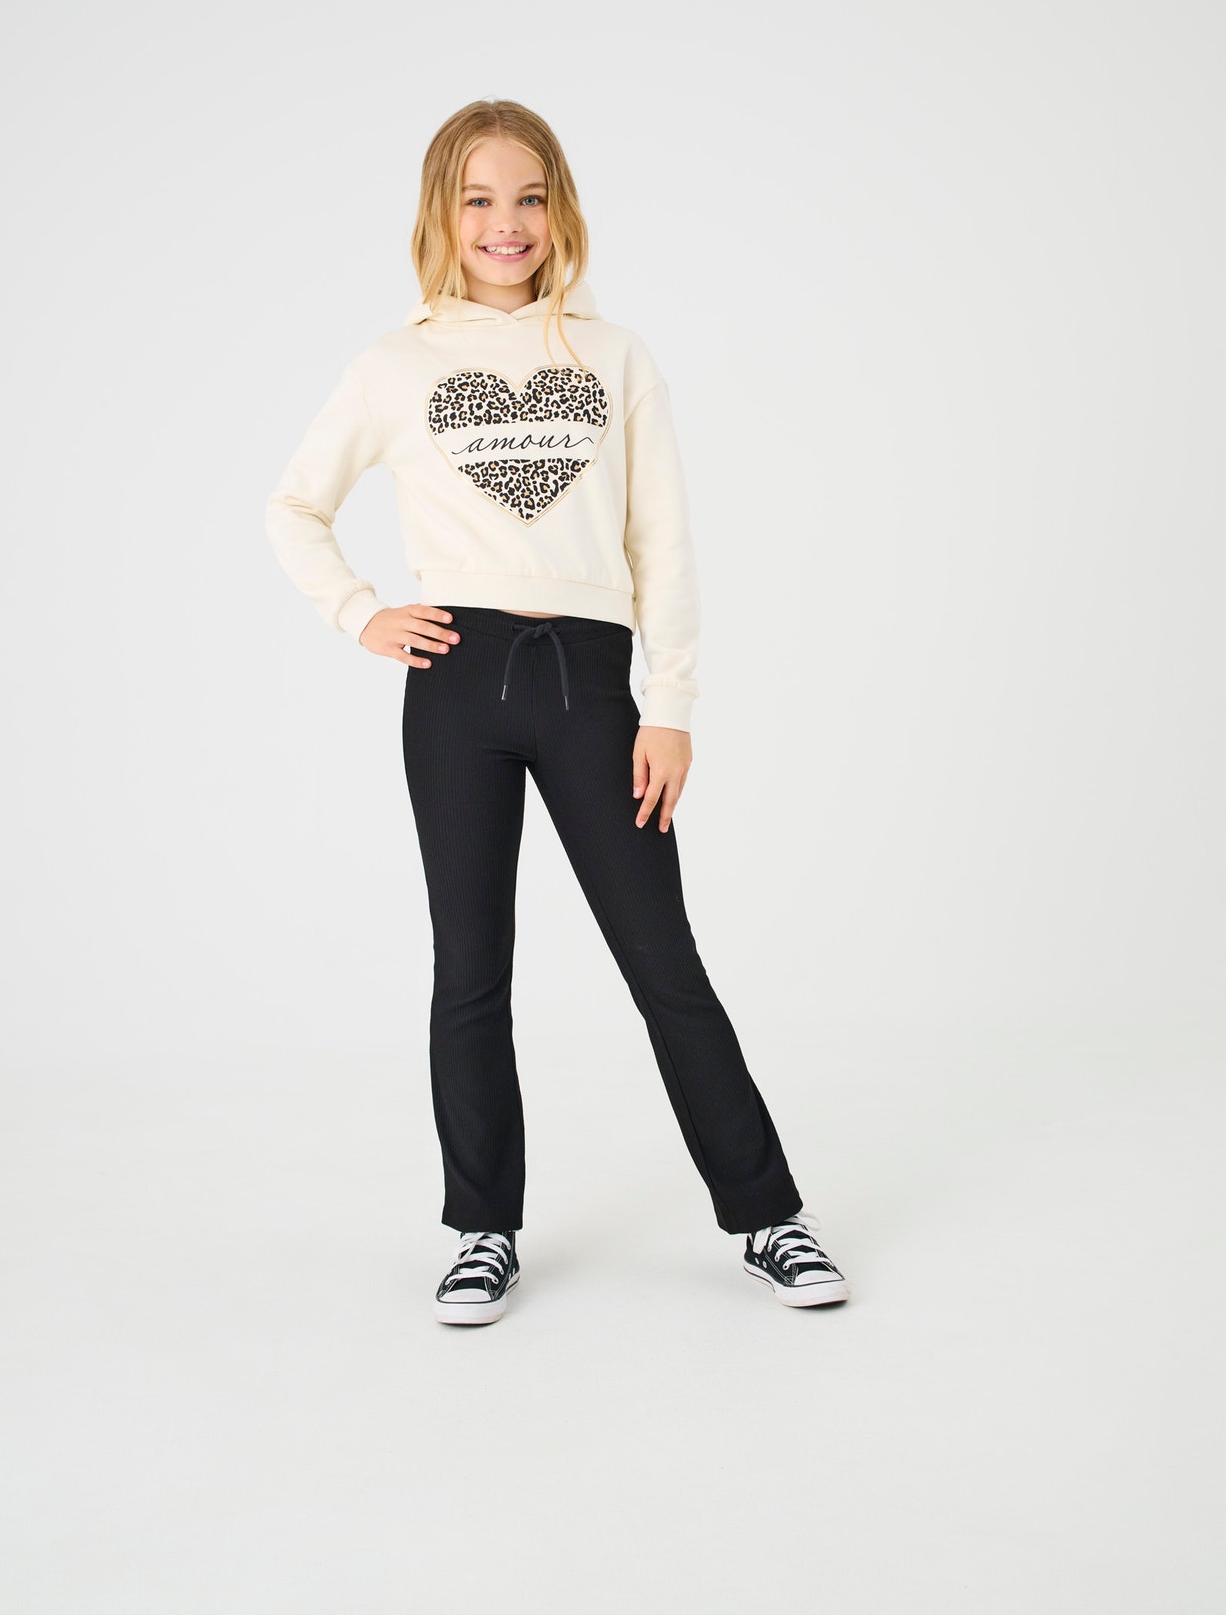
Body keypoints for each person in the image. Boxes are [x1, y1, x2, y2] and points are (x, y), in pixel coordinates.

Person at [264, 99, 848, 1324]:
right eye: (477, 199)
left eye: (527, 197)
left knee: (662, 962)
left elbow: (661, 539)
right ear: (441, 215)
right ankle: (480, 1229)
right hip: (456, 685)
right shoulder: (394, 365)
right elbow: (293, 506)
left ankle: (767, 1216)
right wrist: (361, 613)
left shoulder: (613, 356)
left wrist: (668, 703)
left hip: (592, 684)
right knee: (470, 968)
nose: (505, 223)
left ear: (557, 209)